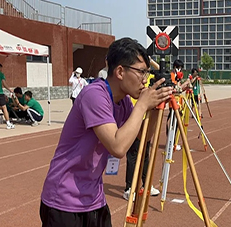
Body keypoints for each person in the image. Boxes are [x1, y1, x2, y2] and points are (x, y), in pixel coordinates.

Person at [39, 38, 172, 227]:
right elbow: (118, 147)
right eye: (141, 72)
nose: (145, 79)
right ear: (120, 71)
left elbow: (142, 137)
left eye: (147, 73)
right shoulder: (94, 95)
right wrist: (142, 105)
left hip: (93, 198)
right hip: (64, 200)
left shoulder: (123, 101)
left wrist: (155, 108)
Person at [123, 73, 160, 201]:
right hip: (132, 120)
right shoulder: (131, 81)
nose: (144, 80)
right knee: (133, 156)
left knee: (145, 155)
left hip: (145, 120)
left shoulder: (149, 77)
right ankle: (129, 188)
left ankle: (146, 184)